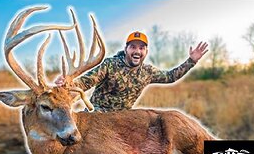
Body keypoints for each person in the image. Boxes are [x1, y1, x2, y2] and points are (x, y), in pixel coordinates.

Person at [55, 31, 208, 112]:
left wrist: (191, 61)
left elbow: (170, 77)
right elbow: (86, 82)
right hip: (98, 115)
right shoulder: (110, 64)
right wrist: (68, 84)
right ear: (126, 49)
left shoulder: (148, 72)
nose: (137, 51)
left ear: (146, 52)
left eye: (141, 48)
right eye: (133, 47)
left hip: (123, 119)